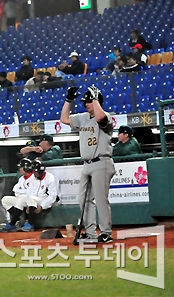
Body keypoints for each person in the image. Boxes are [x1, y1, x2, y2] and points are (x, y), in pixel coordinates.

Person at [60, 85, 115, 244]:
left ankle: (106, 233)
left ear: (97, 101)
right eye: (85, 102)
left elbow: (101, 119)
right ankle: (91, 233)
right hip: (87, 164)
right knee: (83, 200)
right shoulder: (83, 117)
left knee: (101, 199)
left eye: (89, 101)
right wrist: (68, 101)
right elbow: (63, 119)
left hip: (102, 162)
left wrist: (96, 99)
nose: (86, 104)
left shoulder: (106, 116)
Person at [0, 159, 58, 232]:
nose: (34, 173)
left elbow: (52, 196)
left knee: (29, 199)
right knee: (7, 199)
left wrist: (43, 205)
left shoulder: (50, 178)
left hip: (46, 200)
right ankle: (17, 221)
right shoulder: (33, 178)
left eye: (35, 172)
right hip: (34, 199)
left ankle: (29, 224)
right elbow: (30, 192)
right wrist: (28, 204)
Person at [0, 158, 33, 232]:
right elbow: (16, 190)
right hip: (21, 199)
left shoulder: (33, 178)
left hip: (30, 200)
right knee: (5, 200)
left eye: (21, 167)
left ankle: (12, 224)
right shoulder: (22, 179)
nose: (20, 169)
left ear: (26, 168)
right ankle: (18, 218)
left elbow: (31, 192)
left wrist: (22, 193)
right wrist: (22, 192)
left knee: (21, 199)